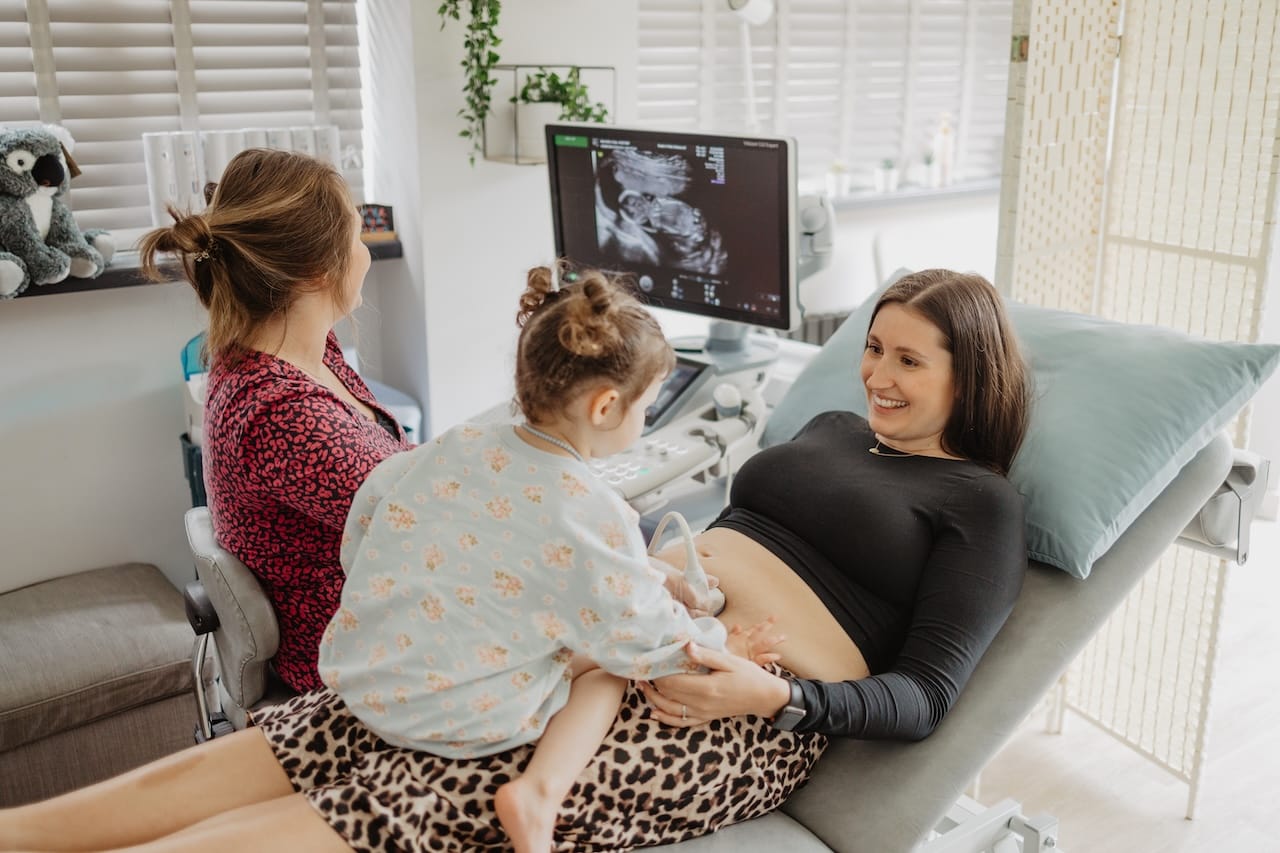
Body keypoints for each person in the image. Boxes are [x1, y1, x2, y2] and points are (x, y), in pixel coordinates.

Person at [0, 268, 1030, 852]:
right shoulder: (831, 429)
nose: (874, 375)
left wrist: (772, 699)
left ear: (968, 373)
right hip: (636, 632)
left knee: (401, 792)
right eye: (872, 348)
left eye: (906, 359)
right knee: (330, 722)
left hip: (729, 706)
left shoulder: (976, 506)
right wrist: (663, 586)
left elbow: (923, 697)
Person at [318, 265, 775, 852]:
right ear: (606, 407)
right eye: (647, 407)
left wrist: (655, 573)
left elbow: (370, 525)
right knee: (608, 665)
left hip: (364, 677)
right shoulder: (591, 509)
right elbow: (649, 645)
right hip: (457, 719)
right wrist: (717, 641)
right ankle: (538, 793)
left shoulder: (458, 444)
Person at [141, 148, 411, 693]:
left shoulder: (297, 348)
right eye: (356, 237)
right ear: (316, 271)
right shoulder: (281, 415)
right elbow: (433, 524)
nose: (364, 254)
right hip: (363, 668)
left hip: (395, 613)